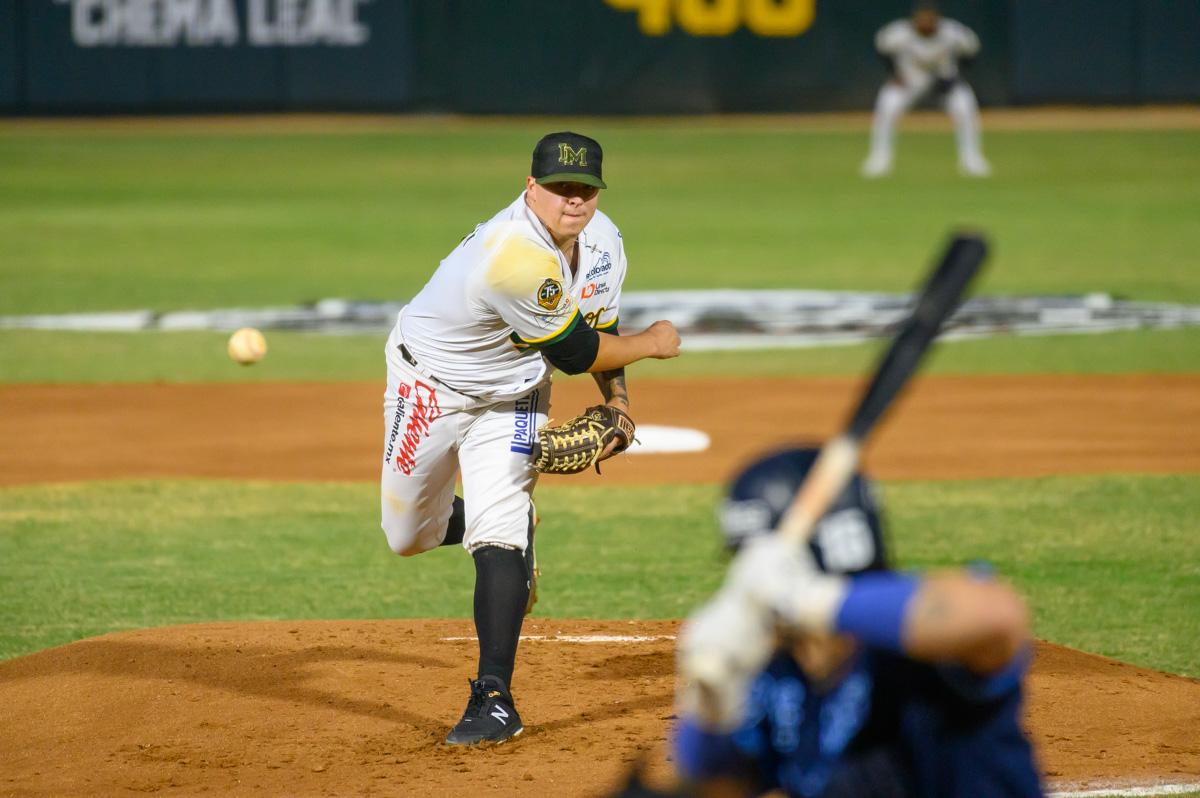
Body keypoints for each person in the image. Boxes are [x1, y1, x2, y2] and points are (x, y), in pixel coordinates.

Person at [379, 131, 681, 746]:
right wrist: (654, 344)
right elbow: (577, 352)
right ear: (531, 187)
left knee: (499, 528)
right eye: (560, 188)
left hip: (515, 394)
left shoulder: (603, 243)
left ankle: (494, 698)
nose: (574, 201)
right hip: (427, 386)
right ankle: (511, 532)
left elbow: (599, 324)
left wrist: (619, 405)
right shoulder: (513, 254)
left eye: (586, 190)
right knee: (408, 535)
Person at [671, 447, 1044, 798]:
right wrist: (711, 703)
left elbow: (998, 617)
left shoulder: (911, 648)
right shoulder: (780, 677)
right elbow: (712, 786)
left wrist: (810, 599)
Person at [862, 3, 991, 178]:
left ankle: (972, 160)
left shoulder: (952, 32)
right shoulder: (898, 33)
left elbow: (971, 51)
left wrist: (957, 76)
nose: (925, 23)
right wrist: (894, 74)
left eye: (929, 19)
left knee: (965, 106)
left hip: (945, 81)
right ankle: (879, 160)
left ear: (937, 20)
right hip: (910, 80)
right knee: (887, 106)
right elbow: (883, 51)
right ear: (914, 20)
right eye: (921, 19)